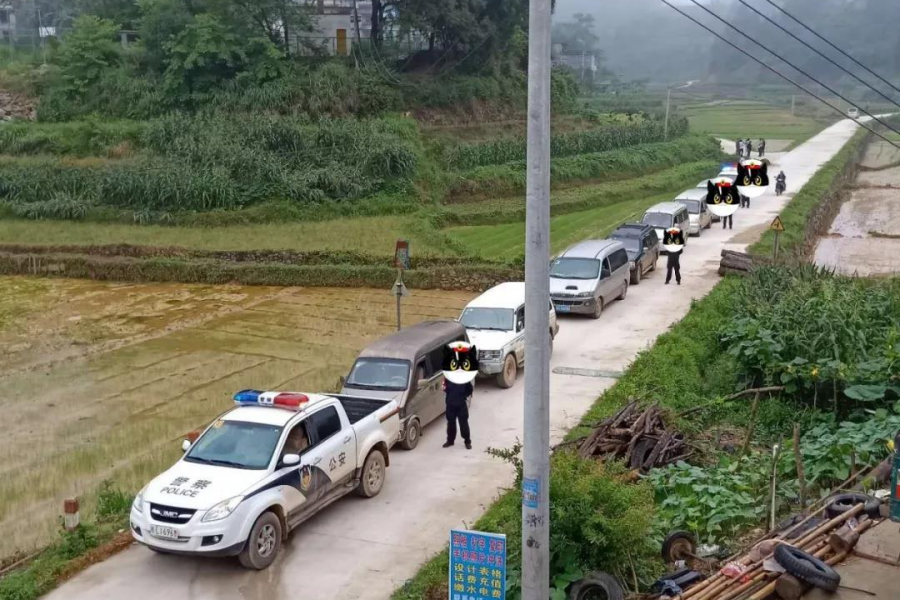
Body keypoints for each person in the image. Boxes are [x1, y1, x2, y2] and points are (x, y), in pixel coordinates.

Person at [443, 379, 472, 449]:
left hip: (461, 405)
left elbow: (469, 389)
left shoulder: (464, 378)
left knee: (464, 424)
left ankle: (467, 441)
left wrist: (462, 396)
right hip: (450, 404)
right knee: (450, 424)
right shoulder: (448, 378)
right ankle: (450, 441)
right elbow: (444, 388)